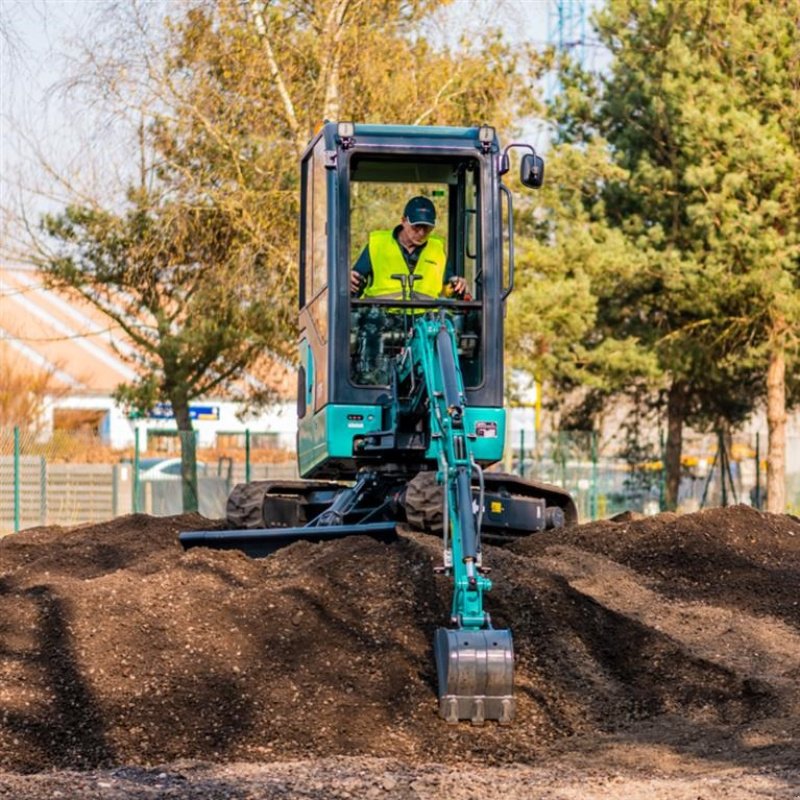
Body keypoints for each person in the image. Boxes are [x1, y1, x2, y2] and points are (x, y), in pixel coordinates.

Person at [350, 196, 467, 300]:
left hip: (426, 316)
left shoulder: (437, 250)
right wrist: (349, 280)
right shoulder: (377, 245)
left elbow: (447, 288)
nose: (421, 233)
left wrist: (458, 285)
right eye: (417, 227)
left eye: (427, 228)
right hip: (381, 315)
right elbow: (355, 281)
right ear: (403, 221)